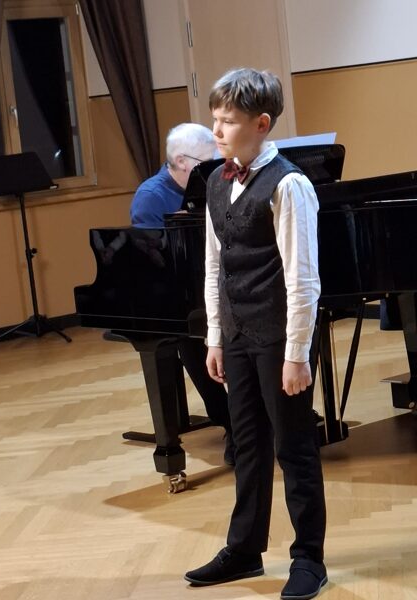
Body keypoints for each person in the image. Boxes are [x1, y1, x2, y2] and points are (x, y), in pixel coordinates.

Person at [184, 69, 327, 599]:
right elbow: (214, 266)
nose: (216, 130)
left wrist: (297, 353)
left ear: (261, 124)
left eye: (228, 121)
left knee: (293, 448)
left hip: (278, 336)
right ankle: (245, 549)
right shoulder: (216, 182)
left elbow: (303, 278)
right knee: (246, 445)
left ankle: (309, 558)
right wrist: (215, 337)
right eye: (215, 119)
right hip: (238, 334)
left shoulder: (289, 185)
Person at [128, 123, 235, 465]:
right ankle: (232, 421)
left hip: (222, 280)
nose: (214, 169)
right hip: (179, 294)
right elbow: (155, 261)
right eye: (206, 162)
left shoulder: (215, 182)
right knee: (195, 333)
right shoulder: (151, 196)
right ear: (180, 161)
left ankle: (279, 410)